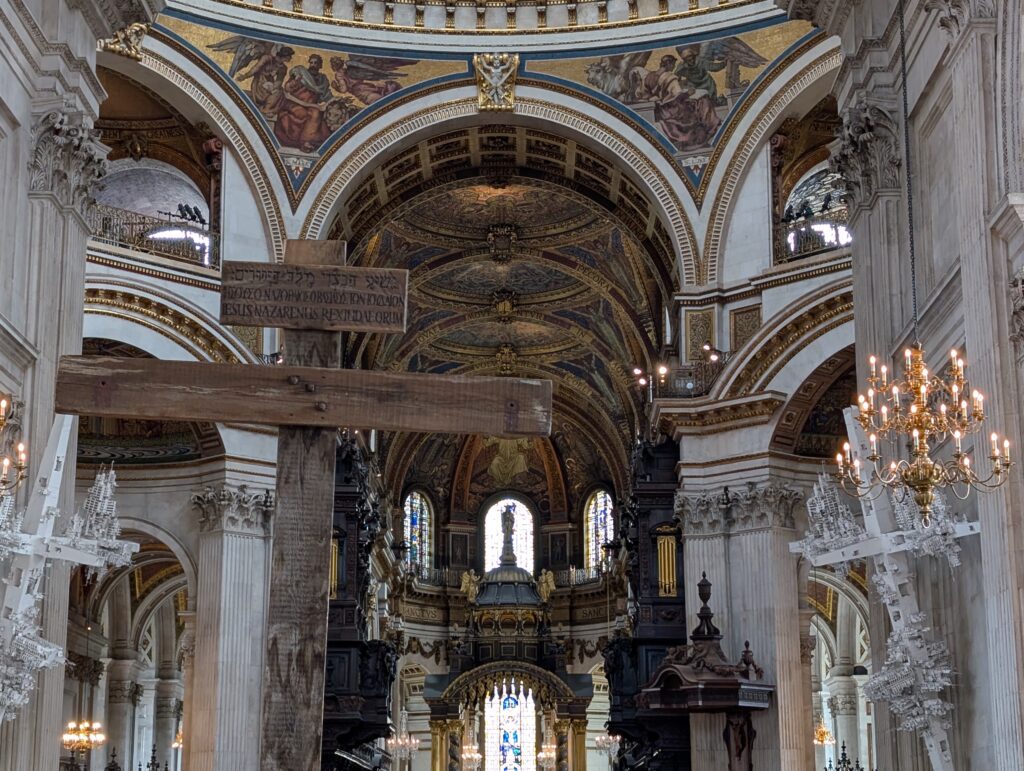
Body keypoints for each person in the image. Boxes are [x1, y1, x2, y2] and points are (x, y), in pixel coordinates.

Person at [274, 54, 334, 153]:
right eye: (311, 62)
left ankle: (311, 140)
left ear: (320, 65)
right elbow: (287, 89)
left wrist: (336, 100)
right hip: (293, 104)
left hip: (311, 106)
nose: (313, 65)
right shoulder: (301, 74)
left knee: (322, 114)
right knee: (312, 113)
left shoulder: (322, 80)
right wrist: (296, 80)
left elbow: (327, 96)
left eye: (316, 63)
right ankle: (305, 141)